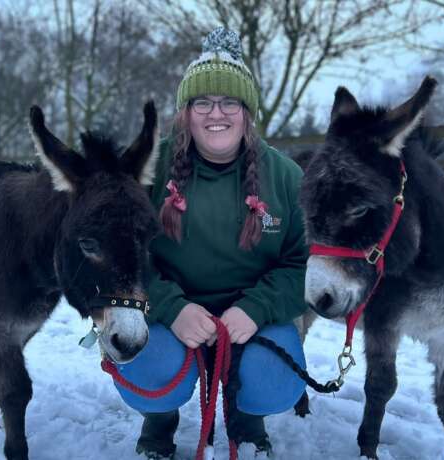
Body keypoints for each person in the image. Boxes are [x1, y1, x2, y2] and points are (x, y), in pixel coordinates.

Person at [111, 26, 308, 460]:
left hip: (251, 319)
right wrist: (171, 308)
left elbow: (301, 265)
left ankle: (247, 416)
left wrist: (254, 309)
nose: (215, 112)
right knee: (150, 369)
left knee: (275, 381)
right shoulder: (148, 168)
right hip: (167, 317)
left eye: (229, 102)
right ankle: (159, 421)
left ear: (247, 111)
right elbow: (122, 256)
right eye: (202, 101)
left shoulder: (286, 177)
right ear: (186, 111)